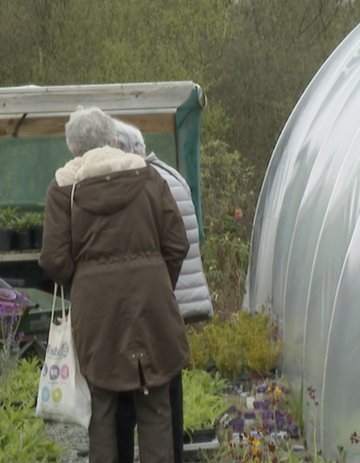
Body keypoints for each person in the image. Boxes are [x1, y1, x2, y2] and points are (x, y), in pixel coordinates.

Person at [39, 106, 191, 463]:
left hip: (96, 312)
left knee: (103, 408)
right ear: (112, 139)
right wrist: (157, 281)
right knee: (156, 403)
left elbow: (54, 259)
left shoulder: (63, 189)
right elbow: (176, 243)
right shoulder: (149, 177)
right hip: (152, 301)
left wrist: (86, 284)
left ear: (73, 150)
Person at [113, 119, 215, 463]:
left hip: (165, 300)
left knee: (155, 390)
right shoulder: (169, 175)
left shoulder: (149, 182)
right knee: (168, 387)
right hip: (176, 298)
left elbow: (171, 246)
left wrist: (155, 290)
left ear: (125, 150)